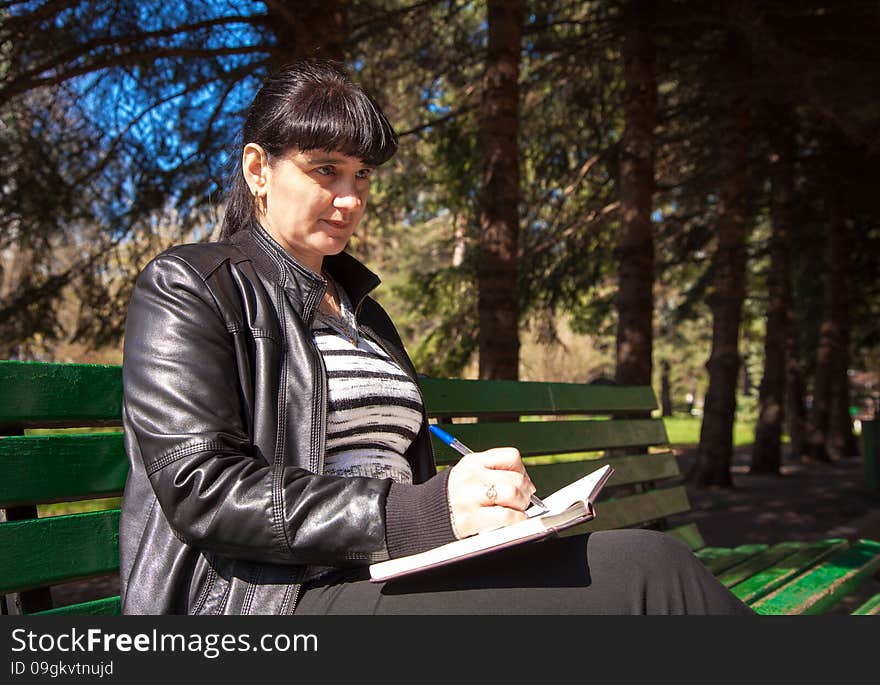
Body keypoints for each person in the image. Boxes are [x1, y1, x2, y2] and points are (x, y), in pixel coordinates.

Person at [119, 58, 754, 615]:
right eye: (325, 170)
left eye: (362, 175)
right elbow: (205, 489)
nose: (350, 199)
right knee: (648, 577)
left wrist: (481, 502)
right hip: (269, 603)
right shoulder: (191, 286)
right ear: (258, 168)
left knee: (647, 561)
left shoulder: (366, 316)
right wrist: (425, 512)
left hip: (393, 574)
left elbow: (407, 472)